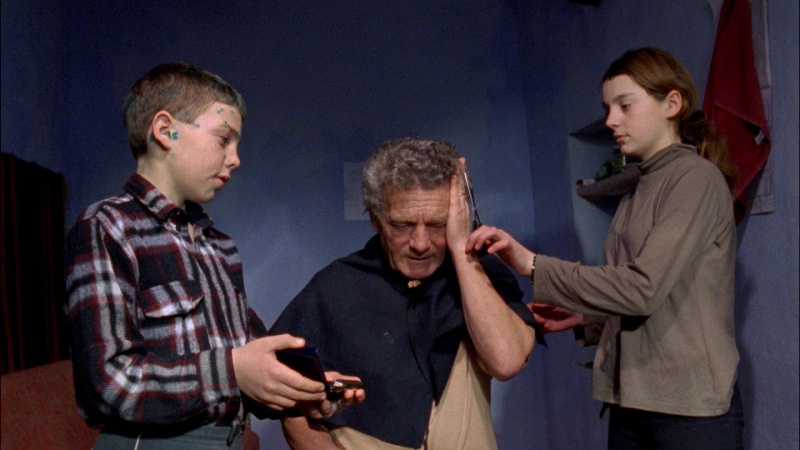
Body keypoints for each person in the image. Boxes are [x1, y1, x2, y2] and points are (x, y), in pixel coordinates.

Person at [64, 62, 363, 449]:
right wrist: (232, 369)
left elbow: (249, 374)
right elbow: (107, 387)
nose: (235, 158)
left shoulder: (219, 246)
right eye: (224, 139)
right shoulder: (107, 227)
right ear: (165, 130)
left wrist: (303, 391)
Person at [467, 47, 744, 449]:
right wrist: (588, 318)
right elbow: (667, 299)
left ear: (672, 104)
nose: (612, 119)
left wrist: (533, 265)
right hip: (634, 400)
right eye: (608, 108)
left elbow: (643, 288)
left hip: (688, 410)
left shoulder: (694, 179)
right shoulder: (638, 190)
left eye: (625, 106)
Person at [269, 137, 541, 449]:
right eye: (403, 225)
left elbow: (506, 361)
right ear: (376, 220)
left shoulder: (479, 273)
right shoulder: (334, 287)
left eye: (438, 224)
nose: (421, 244)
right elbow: (292, 412)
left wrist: (461, 250)